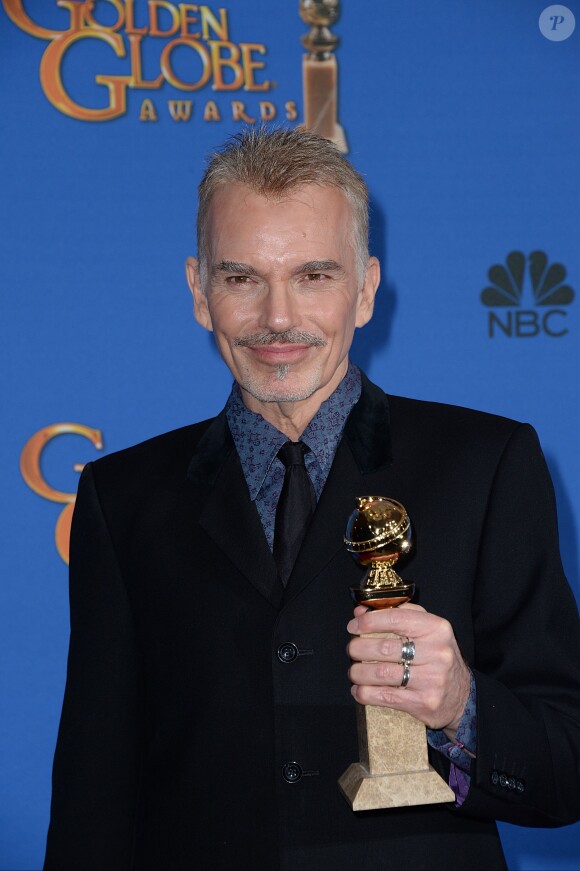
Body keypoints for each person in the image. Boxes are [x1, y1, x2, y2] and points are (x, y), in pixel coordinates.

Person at [44, 127, 580, 871]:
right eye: (242, 278)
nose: (277, 318)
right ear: (199, 292)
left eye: (314, 276)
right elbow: (92, 790)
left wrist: (463, 706)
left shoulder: (488, 465)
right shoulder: (122, 496)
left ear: (365, 289)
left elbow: (565, 765)